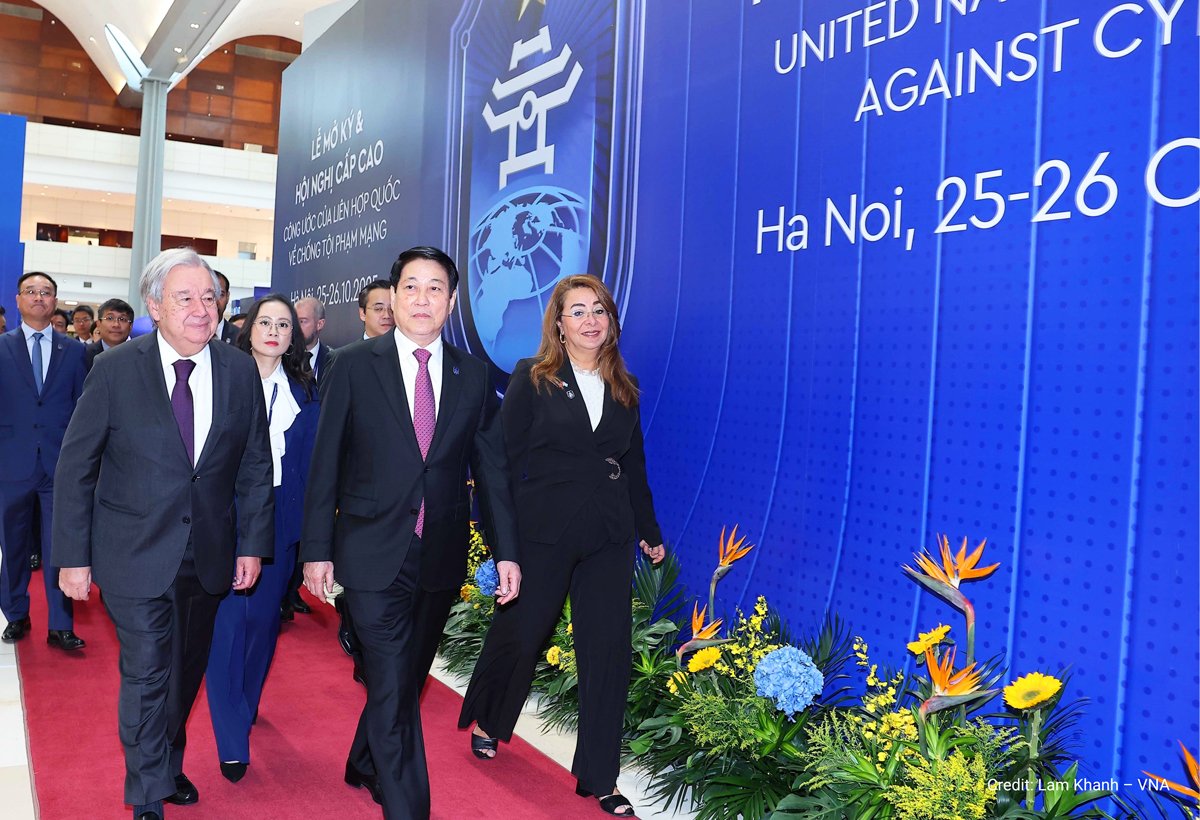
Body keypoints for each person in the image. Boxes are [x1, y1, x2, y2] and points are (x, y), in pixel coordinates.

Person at [52, 248, 274, 820]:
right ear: (155, 305)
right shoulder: (115, 369)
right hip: (133, 551)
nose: (202, 310)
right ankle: (147, 788)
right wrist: (72, 557)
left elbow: (253, 465)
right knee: (149, 668)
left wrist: (252, 543)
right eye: (185, 298)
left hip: (209, 552)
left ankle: (168, 760)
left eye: (209, 297)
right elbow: (77, 466)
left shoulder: (237, 368)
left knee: (185, 671)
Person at [301, 246, 521, 819]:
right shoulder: (353, 364)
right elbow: (325, 464)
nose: (422, 299)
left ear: (450, 303)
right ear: (392, 298)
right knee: (397, 688)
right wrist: (317, 551)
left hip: (439, 555)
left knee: (403, 677)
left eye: (435, 289)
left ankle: (362, 759)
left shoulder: (472, 376)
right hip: (370, 552)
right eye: (411, 287)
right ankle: (408, 809)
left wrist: (508, 554)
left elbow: (490, 471)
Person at [458, 275, 666, 818]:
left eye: (599, 310)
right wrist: (499, 534)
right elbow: (500, 458)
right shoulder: (534, 377)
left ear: (612, 321)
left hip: (608, 536)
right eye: (577, 311)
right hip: (542, 532)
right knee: (522, 636)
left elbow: (635, 463)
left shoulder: (627, 386)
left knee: (608, 654)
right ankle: (491, 721)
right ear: (558, 323)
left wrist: (649, 529)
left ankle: (600, 776)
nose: (590, 320)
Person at [205, 294, 318, 783]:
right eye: (265, 322)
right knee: (227, 629)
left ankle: (244, 704)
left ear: (295, 336)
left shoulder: (307, 393)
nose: (273, 331)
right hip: (227, 522)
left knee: (263, 630)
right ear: (248, 328)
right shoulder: (221, 379)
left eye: (284, 325)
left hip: (283, 526)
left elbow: (314, 473)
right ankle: (232, 737)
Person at [0, 272, 87, 649]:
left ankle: (60, 624)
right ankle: (16, 613)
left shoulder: (75, 352)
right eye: (31, 291)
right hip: (11, 463)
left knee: (60, 547)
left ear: (55, 301)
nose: (39, 297)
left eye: (46, 292)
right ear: (18, 300)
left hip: (60, 465)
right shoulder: (2, 348)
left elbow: (83, 409)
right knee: (12, 545)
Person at [281, 295, 332, 620]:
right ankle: (284, 594)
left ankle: (292, 589)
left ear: (319, 324)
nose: (296, 328)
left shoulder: (338, 360)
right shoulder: (280, 359)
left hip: (318, 460)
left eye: (301, 321)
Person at [84, 298, 135, 371]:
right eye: (110, 318)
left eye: (122, 319)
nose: (116, 324)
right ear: (98, 324)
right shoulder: (84, 354)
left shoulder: (141, 356)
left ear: (131, 326)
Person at [213, 270, 238, 343]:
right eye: (209, 295)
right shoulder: (185, 334)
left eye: (220, 295)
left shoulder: (241, 338)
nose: (215, 302)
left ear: (227, 296)